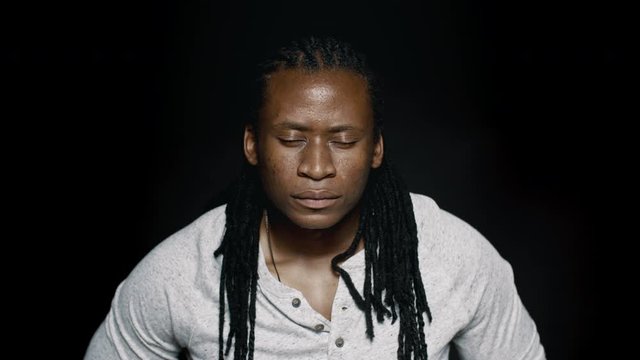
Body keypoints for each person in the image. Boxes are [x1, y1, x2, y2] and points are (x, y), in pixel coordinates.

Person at [85, 37, 546, 360]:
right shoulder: (180, 274)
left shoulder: (455, 256)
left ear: (376, 149)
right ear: (252, 145)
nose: (318, 166)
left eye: (344, 142)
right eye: (291, 139)